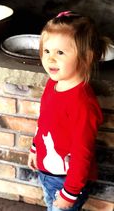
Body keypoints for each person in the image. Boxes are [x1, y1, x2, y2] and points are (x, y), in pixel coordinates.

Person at [28, 11, 111, 211]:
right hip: (48, 172)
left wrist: (70, 192)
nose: (50, 59)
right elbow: (45, 122)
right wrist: (35, 148)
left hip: (66, 182)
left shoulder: (82, 104)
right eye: (46, 51)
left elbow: (82, 153)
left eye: (60, 53)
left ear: (87, 57)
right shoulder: (53, 84)